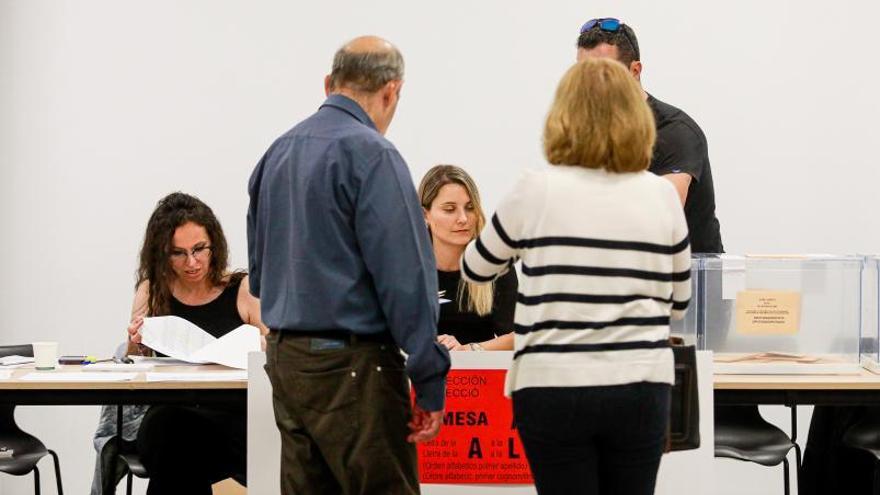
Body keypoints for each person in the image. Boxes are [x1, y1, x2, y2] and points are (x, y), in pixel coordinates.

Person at [462, 58, 691, 495]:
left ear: (562, 116)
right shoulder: (661, 195)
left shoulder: (535, 190)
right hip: (639, 385)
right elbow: (678, 305)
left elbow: (476, 267)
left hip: (552, 384)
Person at [247, 36, 450, 494]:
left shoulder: (275, 154)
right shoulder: (374, 155)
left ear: (328, 84)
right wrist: (429, 378)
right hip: (354, 370)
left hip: (287, 361)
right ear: (391, 91)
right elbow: (407, 282)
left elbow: (259, 277)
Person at [124, 191, 268, 495]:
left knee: (176, 447)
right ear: (162, 254)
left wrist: (263, 343)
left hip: (233, 421)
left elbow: (278, 357)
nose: (192, 262)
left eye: (200, 249)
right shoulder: (151, 292)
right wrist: (135, 343)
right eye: (178, 253)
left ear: (214, 244)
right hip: (169, 415)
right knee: (171, 431)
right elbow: (132, 366)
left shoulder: (242, 290)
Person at [576, 18, 723, 253]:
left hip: (689, 281)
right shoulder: (585, 133)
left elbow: (663, 215)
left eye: (604, 73)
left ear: (635, 70)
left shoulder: (675, 131)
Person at [418, 164, 517, 351]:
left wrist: (470, 350)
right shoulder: (405, 268)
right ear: (425, 215)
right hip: (417, 376)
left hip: (478, 378)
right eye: (449, 209)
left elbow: (518, 336)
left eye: (470, 208)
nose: (463, 218)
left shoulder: (494, 265)